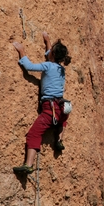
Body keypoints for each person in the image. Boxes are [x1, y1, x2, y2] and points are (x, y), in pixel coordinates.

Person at [12, 32, 71, 174]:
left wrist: (22, 51)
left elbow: (29, 66)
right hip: (62, 107)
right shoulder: (61, 69)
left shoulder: (47, 66)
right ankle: (59, 140)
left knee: (33, 134)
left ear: (52, 55)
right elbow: (51, 54)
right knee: (63, 119)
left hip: (49, 109)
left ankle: (28, 165)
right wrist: (48, 40)